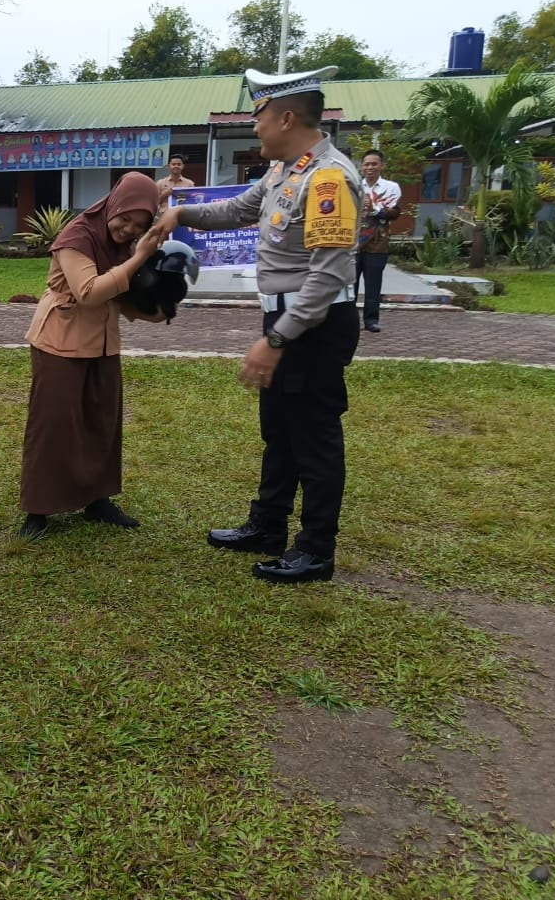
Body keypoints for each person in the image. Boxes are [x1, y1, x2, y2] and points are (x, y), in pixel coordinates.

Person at [146, 65, 361, 583]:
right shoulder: (284, 171)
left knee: (313, 437)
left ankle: (315, 549)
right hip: (286, 315)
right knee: (280, 432)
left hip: (314, 322)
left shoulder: (328, 177)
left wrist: (277, 339)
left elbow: (328, 276)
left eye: (259, 115)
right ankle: (267, 525)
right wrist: (180, 214)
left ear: (287, 117)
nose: (256, 125)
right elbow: (238, 209)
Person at [17, 172, 161, 540]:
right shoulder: (76, 237)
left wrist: (158, 308)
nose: (128, 229)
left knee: (102, 422)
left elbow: (123, 293)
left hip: (102, 344)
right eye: (125, 219)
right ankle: (38, 509)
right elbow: (90, 291)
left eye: (139, 225)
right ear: (113, 204)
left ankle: (97, 500)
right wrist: (139, 256)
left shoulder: (123, 246)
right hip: (59, 342)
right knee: (53, 427)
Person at [355, 149, 401, 333]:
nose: (370, 167)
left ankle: (371, 320)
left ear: (382, 165)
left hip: (378, 242)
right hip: (353, 242)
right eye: (366, 164)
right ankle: (349, 321)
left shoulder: (391, 187)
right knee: (350, 285)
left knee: (373, 285)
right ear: (362, 167)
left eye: (374, 164)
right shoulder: (355, 185)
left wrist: (374, 209)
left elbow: (394, 213)